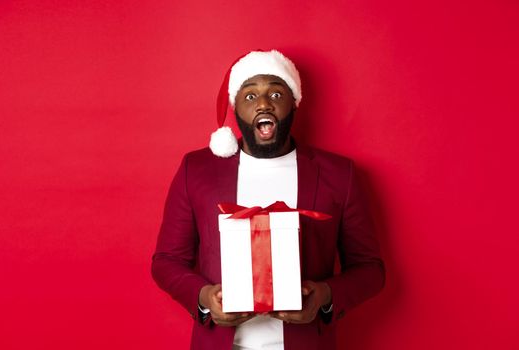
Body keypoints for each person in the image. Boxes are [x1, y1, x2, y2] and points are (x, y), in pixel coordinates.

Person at [152, 50, 385, 350]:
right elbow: (166, 261)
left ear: (294, 103)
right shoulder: (196, 170)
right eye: (250, 96)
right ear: (235, 107)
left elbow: (370, 269)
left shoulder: (340, 175)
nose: (263, 103)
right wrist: (204, 298)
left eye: (276, 92)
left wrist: (324, 296)